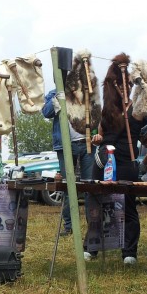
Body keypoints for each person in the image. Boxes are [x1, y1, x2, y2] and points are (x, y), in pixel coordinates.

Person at [88, 54, 147, 264]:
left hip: (126, 161)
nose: (124, 89)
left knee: (128, 206)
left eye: (127, 85)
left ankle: (129, 252)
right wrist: (98, 139)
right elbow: (102, 135)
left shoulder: (138, 108)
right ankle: (92, 247)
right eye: (120, 86)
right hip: (104, 159)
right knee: (96, 203)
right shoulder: (108, 109)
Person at [42, 89, 94, 236]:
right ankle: (69, 226)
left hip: (87, 142)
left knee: (90, 185)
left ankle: (93, 226)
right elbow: (46, 112)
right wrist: (55, 102)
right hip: (65, 145)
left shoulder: (86, 89)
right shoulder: (54, 93)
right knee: (67, 187)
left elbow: (97, 113)